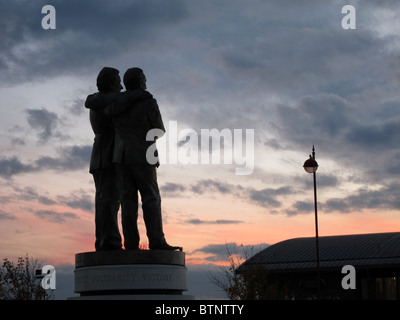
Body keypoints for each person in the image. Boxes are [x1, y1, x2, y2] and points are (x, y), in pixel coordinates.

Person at [86, 67, 181, 251]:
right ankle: (153, 241)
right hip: (127, 155)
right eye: (117, 82)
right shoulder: (141, 101)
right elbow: (159, 130)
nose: (120, 86)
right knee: (147, 198)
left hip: (120, 157)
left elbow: (105, 107)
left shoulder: (116, 104)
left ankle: (128, 244)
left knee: (125, 200)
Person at [86, 67, 150, 251]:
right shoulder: (103, 101)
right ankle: (109, 242)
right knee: (107, 200)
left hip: (105, 156)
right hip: (105, 156)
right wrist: (137, 93)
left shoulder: (99, 100)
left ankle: (107, 241)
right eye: (118, 82)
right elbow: (120, 98)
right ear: (111, 83)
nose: (121, 86)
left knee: (109, 200)